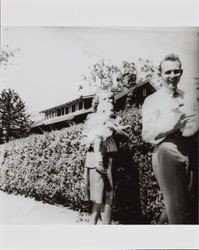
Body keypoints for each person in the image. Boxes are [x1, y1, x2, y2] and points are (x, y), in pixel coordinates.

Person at [142, 54, 198, 224]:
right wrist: (172, 126)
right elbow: (147, 134)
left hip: (191, 148)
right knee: (177, 209)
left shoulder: (188, 97)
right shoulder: (152, 100)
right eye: (168, 72)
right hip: (166, 150)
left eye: (176, 71)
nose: (172, 76)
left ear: (181, 72)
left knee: (188, 203)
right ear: (160, 74)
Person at [82, 91, 128, 224]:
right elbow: (83, 140)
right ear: (97, 102)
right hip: (94, 158)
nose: (108, 100)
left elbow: (125, 138)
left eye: (110, 98)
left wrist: (116, 131)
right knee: (101, 195)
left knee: (107, 194)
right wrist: (94, 139)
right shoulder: (91, 118)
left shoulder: (116, 119)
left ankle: (95, 224)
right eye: (104, 98)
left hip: (111, 158)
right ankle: (101, 227)